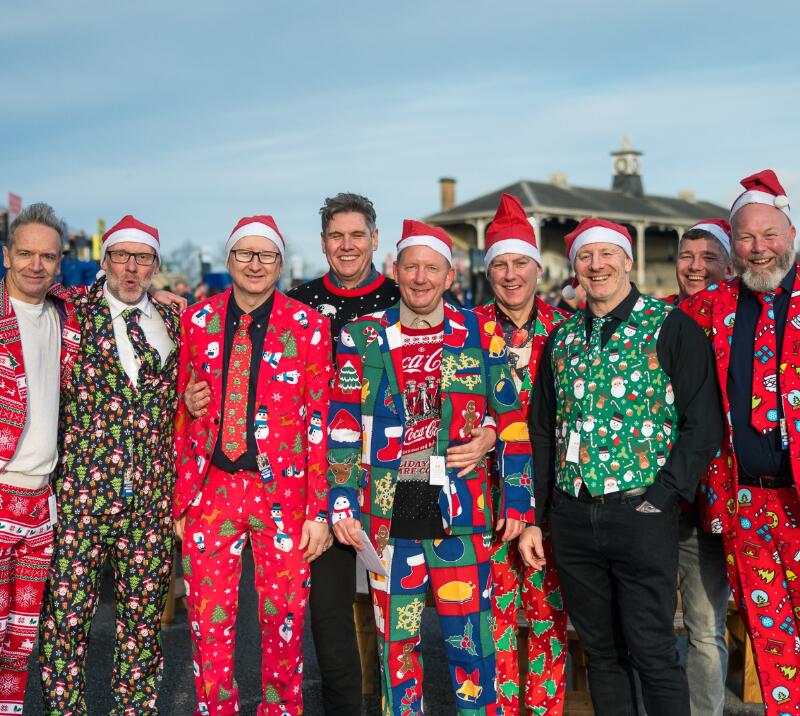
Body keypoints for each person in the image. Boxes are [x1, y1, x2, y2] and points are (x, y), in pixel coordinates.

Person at [328, 219, 533, 714]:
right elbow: (343, 428)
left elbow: (512, 423)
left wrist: (518, 503)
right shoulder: (360, 336)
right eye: (411, 267)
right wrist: (341, 503)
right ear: (395, 271)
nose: (421, 278)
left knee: (472, 651)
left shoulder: (480, 333)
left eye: (432, 269)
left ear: (449, 276)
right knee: (396, 656)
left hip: (459, 518)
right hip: (387, 522)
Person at [523, 217, 723, 716]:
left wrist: (663, 496)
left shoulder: (671, 327)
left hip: (641, 513)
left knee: (652, 650)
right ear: (575, 268)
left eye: (607, 254)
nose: (597, 266)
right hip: (574, 516)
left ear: (628, 261)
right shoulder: (562, 339)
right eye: (586, 257)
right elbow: (543, 430)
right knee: (602, 653)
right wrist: (541, 514)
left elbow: (703, 424)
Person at [173, 215, 332, 715]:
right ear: (229, 259)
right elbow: (179, 409)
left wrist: (319, 510)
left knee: (284, 619)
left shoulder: (309, 326)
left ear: (280, 264)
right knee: (207, 622)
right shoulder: (196, 321)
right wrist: (180, 498)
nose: (255, 264)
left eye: (266, 255)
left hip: (284, 492)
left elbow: (321, 422)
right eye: (245, 253)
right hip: (212, 487)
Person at [39, 214, 181, 714]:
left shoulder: (174, 322)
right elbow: (23, 289)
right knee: (65, 624)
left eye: (142, 258)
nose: (131, 268)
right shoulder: (69, 309)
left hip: (150, 503)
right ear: (105, 260)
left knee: (143, 627)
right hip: (79, 499)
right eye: (121, 256)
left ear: (155, 264)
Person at [682, 170, 800, 715]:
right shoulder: (708, 307)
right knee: (770, 635)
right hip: (744, 500)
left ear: (790, 233)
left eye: (769, 234)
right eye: (746, 237)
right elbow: (640, 336)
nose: (759, 248)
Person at [473, 194, 568, 715]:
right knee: (492, 620)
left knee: (549, 616)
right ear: (488, 271)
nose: (511, 275)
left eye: (520, 264)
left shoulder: (567, 331)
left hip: (551, 497)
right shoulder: (465, 331)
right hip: (484, 500)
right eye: (500, 265)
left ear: (538, 268)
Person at [0, 203, 80, 713]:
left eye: (47, 256)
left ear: (58, 262)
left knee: (19, 643)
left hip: (40, 503)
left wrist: (161, 296)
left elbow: (115, 292)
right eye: (25, 253)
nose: (36, 264)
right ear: (7, 255)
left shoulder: (65, 312)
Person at [662, 218, 734, 716]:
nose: (696, 267)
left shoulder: (742, 321)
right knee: (645, 623)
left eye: (709, 258)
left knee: (706, 627)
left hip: (713, 502)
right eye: (687, 256)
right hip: (657, 496)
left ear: (728, 265)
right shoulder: (657, 318)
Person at [662, 219, 734, 305]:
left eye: (708, 258)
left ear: (729, 270)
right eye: (686, 257)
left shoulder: (742, 312)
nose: (694, 266)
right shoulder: (652, 310)